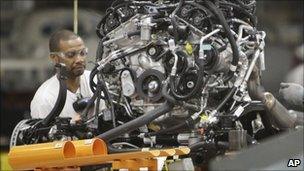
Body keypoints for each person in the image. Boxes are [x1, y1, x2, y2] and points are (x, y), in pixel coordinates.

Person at [30, 29, 103, 121]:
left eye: (82, 53)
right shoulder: (45, 100)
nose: (79, 59)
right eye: (71, 55)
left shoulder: (97, 81)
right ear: (54, 58)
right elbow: (44, 135)